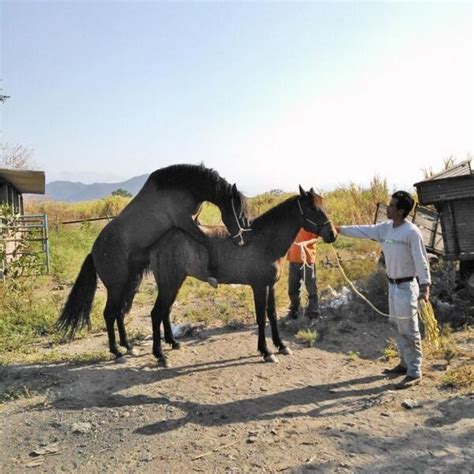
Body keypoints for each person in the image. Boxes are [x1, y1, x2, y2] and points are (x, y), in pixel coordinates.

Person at [336, 191, 431, 389]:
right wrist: (339, 229)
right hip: (393, 285)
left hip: (406, 287)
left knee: (409, 329)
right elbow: (364, 230)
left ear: (401, 211)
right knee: (396, 325)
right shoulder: (385, 228)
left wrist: (425, 286)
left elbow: (421, 261)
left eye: (391, 205)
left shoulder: (412, 232)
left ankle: (414, 371)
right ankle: (404, 363)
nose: (387, 208)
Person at [287, 228, 320, 319]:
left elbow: (316, 238)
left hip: (307, 261)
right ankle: (295, 309)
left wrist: (306, 243)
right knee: (292, 289)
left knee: (311, 289)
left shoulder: (310, 222)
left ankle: (313, 312)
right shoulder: (291, 222)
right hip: (293, 260)